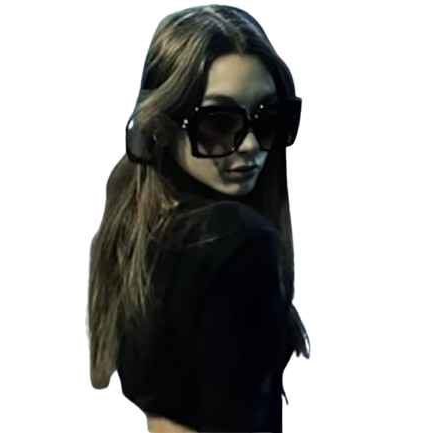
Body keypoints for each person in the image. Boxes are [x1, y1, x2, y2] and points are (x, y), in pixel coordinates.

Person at [86, 4, 309, 432]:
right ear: (162, 125)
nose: (250, 145)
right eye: (218, 123)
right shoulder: (239, 241)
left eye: (270, 119)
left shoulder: (136, 222)